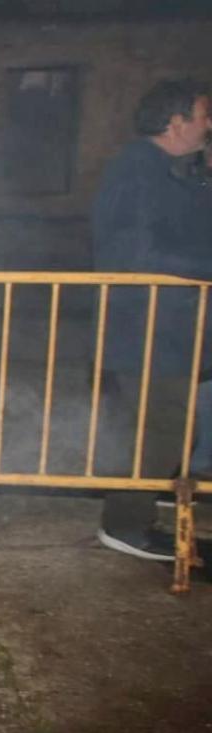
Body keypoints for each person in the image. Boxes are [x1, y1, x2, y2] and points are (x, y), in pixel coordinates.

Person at [92, 77, 212, 561]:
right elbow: (137, 251)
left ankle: (140, 508)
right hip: (147, 329)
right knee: (156, 429)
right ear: (175, 121)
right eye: (204, 115)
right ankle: (126, 527)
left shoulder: (170, 171)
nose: (209, 124)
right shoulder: (136, 171)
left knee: (166, 428)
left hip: (170, 328)